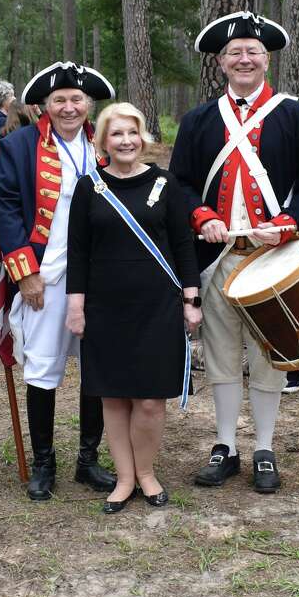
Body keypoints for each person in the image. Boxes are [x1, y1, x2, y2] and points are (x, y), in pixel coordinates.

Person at [169, 11, 299, 494]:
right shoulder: (197, 121)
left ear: (267, 58)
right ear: (220, 62)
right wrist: (202, 217)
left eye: (252, 51)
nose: (243, 59)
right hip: (216, 256)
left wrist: (286, 222)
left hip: (271, 257)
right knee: (219, 354)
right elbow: (180, 185)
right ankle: (224, 445)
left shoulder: (297, 116)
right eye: (234, 52)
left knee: (266, 356)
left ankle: (264, 447)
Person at [0, 61, 118, 501]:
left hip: (99, 277)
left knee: (96, 370)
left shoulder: (103, 146)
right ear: (45, 104)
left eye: (77, 99)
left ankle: (89, 459)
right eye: (60, 100)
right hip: (45, 276)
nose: (69, 107)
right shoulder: (21, 145)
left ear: (89, 104)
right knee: (43, 369)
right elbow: (4, 209)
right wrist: (25, 273)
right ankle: (45, 462)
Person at [65, 103, 202, 513]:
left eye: (133, 133)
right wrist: (77, 307)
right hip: (106, 307)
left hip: (156, 306)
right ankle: (124, 478)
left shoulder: (165, 183)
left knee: (148, 401)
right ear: (103, 141)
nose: (126, 141)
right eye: (117, 134)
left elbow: (183, 245)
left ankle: (146, 472)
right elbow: (78, 252)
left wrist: (192, 300)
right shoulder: (89, 187)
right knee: (114, 398)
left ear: (143, 137)